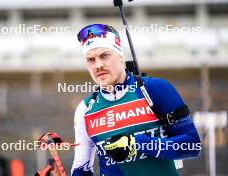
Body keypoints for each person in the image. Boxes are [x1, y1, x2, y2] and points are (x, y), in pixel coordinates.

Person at [71, 24, 201, 176]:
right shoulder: (85, 109)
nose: (98, 65)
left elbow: (192, 145)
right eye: (90, 60)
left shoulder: (156, 89)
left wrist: (138, 143)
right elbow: (81, 169)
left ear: (120, 56)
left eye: (104, 55)